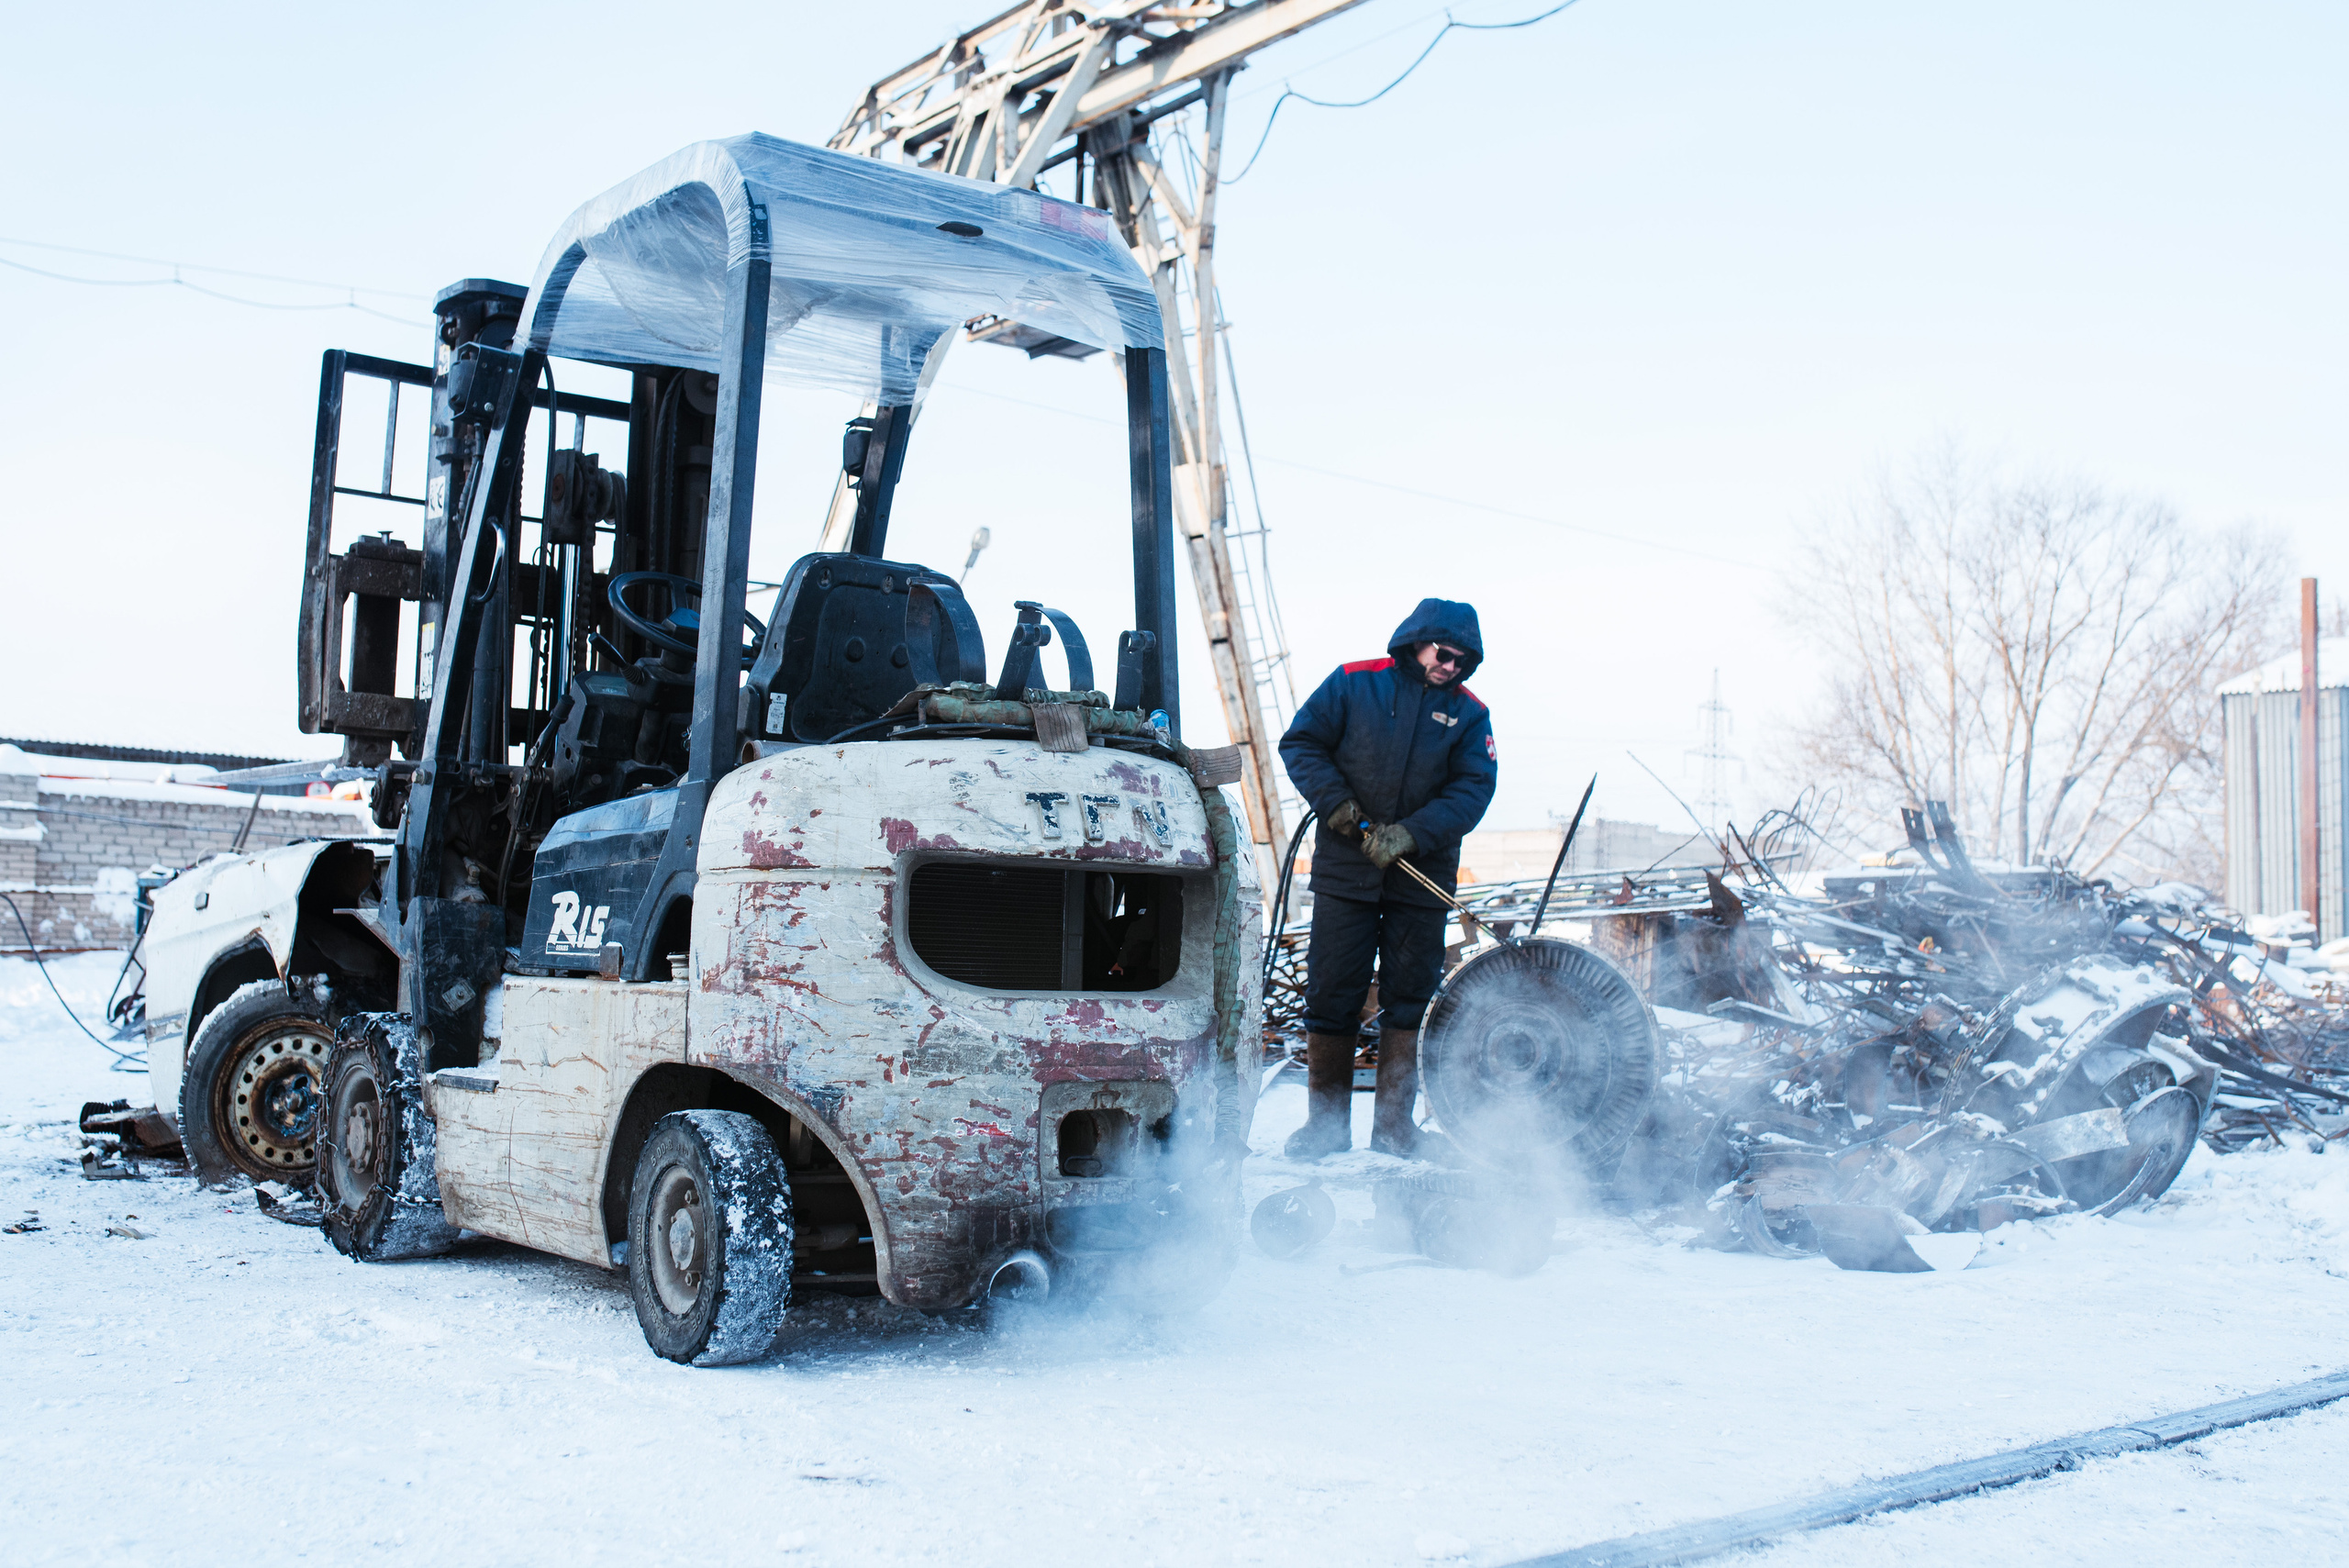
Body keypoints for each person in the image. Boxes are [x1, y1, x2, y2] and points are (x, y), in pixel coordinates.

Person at [1276, 598, 1497, 1158]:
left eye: (1463, 661)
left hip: (1419, 880)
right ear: (1417, 642)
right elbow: (1300, 743)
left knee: (1410, 999)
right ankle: (1325, 1129)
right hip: (1345, 872)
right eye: (1444, 655)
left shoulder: (1471, 715)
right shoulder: (1353, 683)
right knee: (1332, 994)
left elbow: (1474, 789)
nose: (1451, 667)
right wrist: (1339, 806)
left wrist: (1413, 834)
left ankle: (1395, 1129)